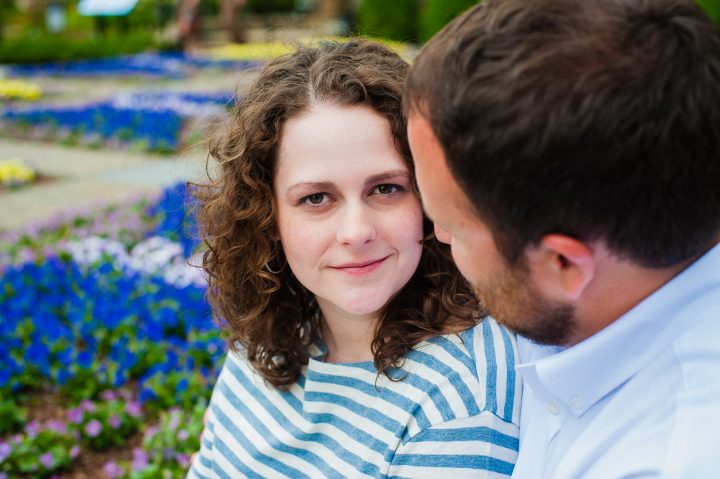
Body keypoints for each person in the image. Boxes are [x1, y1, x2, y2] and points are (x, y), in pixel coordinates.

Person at [404, 0, 720, 477]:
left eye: (454, 224)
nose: (437, 236)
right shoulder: (615, 286)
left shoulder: (667, 458)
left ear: (563, 264)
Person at [187, 40, 521, 478]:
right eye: (316, 198)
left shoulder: (457, 397)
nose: (357, 232)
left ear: (430, 197)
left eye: (386, 188)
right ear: (268, 216)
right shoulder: (268, 337)